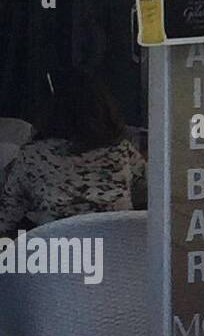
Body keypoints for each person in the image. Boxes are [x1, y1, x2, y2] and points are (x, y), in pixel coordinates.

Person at [0, 70, 145, 236]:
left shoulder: (34, 155)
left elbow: (7, 218)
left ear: (52, 109)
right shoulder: (122, 151)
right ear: (104, 108)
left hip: (57, 252)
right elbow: (153, 197)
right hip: (117, 250)